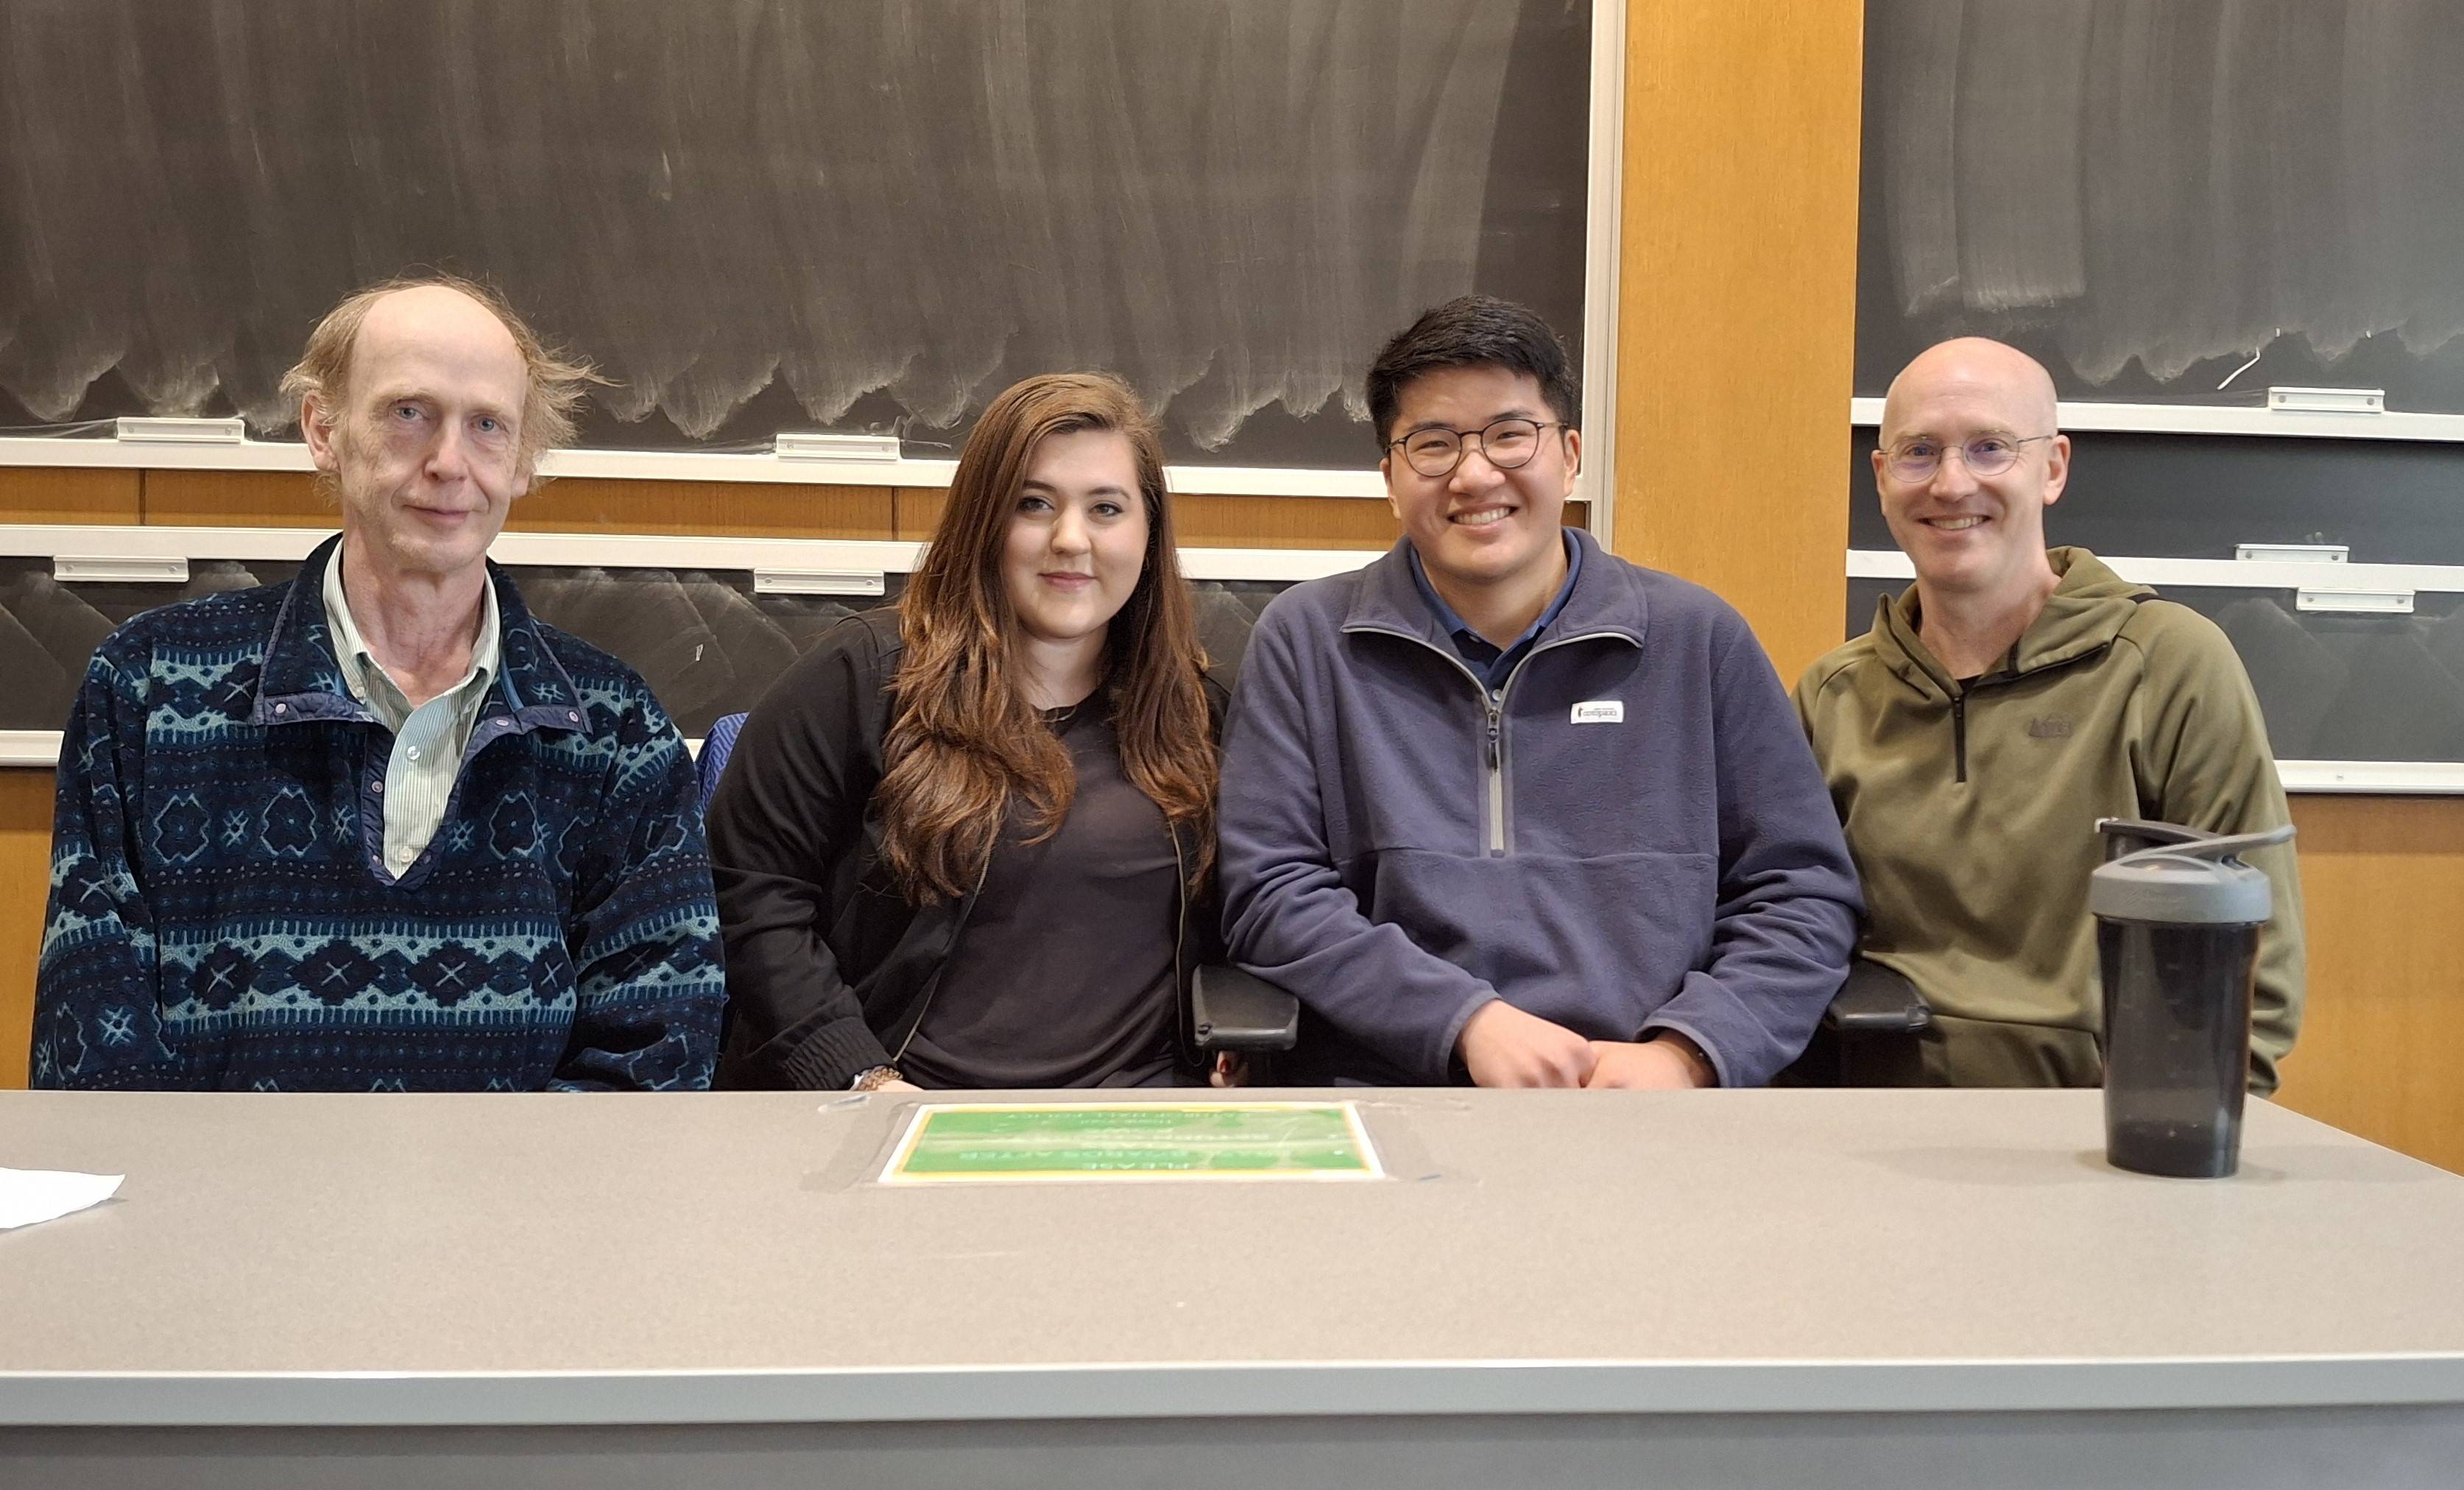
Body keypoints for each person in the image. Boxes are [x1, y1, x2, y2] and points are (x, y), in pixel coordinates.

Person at [30, 275, 724, 1091]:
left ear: (525, 461)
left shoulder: (614, 731)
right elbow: (92, 1045)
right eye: (409, 412)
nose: (448, 463)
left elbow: (656, 1053)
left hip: (515, 1216)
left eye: (488, 426)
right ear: (323, 430)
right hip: (222, 1214)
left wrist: (501, 1217)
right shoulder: (148, 686)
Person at [1217, 296, 1862, 1088]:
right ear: (1389, 477)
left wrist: (1689, 1050)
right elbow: (1268, 894)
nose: (1474, 472)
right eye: (1432, 443)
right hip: (1396, 1089)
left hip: (1647, 1097)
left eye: (1508, 434)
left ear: (1568, 453)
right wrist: (1463, 1021)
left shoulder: (1697, 638)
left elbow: (1799, 893)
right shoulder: (1306, 640)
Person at [1796, 336, 2304, 1091]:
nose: (1949, 482)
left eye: (1989, 448)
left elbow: (2250, 955)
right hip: (1872, 1130)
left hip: (2104, 1133)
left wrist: (2182, 1134)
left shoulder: (2166, 666)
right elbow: (1783, 931)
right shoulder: (1828, 695)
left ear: (2053, 467)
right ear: (1880, 477)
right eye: (1917, 452)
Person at [708, 372, 1226, 1091]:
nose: (1070, 538)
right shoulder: (864, 676)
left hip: (1133, 1135)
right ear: (984, 519)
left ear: (1147, 532)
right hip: (904, 1120)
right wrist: (859, 1075)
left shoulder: (1196, 715)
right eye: (1033, 504)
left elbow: (1264, 908)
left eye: (1106, 508)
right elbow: (749, 892)